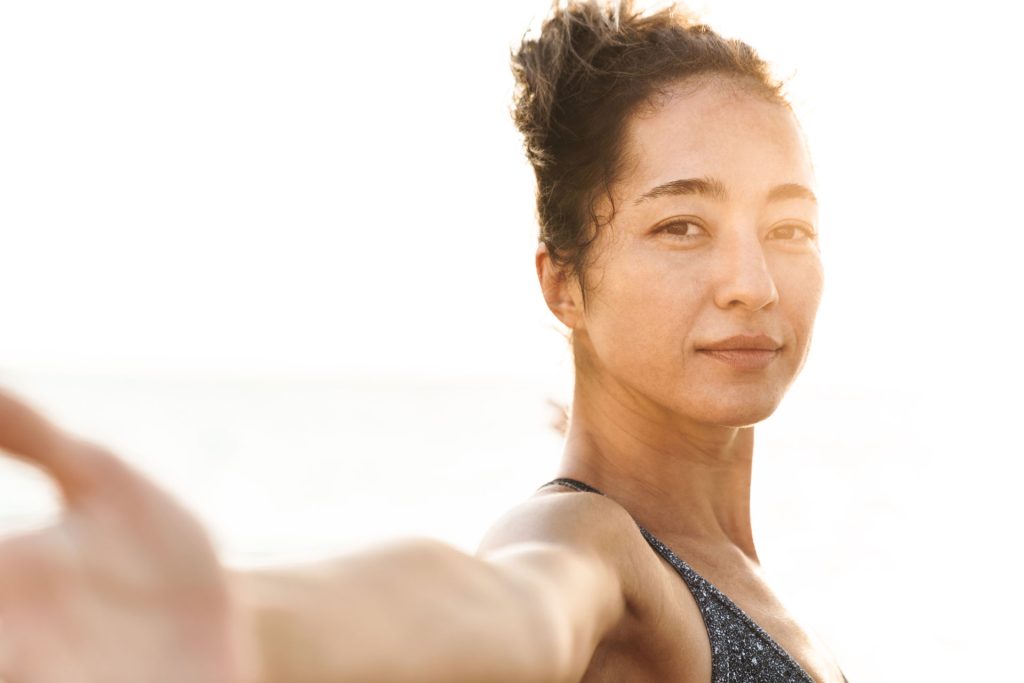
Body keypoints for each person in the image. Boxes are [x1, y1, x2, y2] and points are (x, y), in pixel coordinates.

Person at [0, 1, 848, 681]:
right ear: (564, 283)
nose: (753, 282)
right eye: (682, 225)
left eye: (788, 227)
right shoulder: (591, 547)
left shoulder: (739, 571)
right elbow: (495, 604)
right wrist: (213, 621)